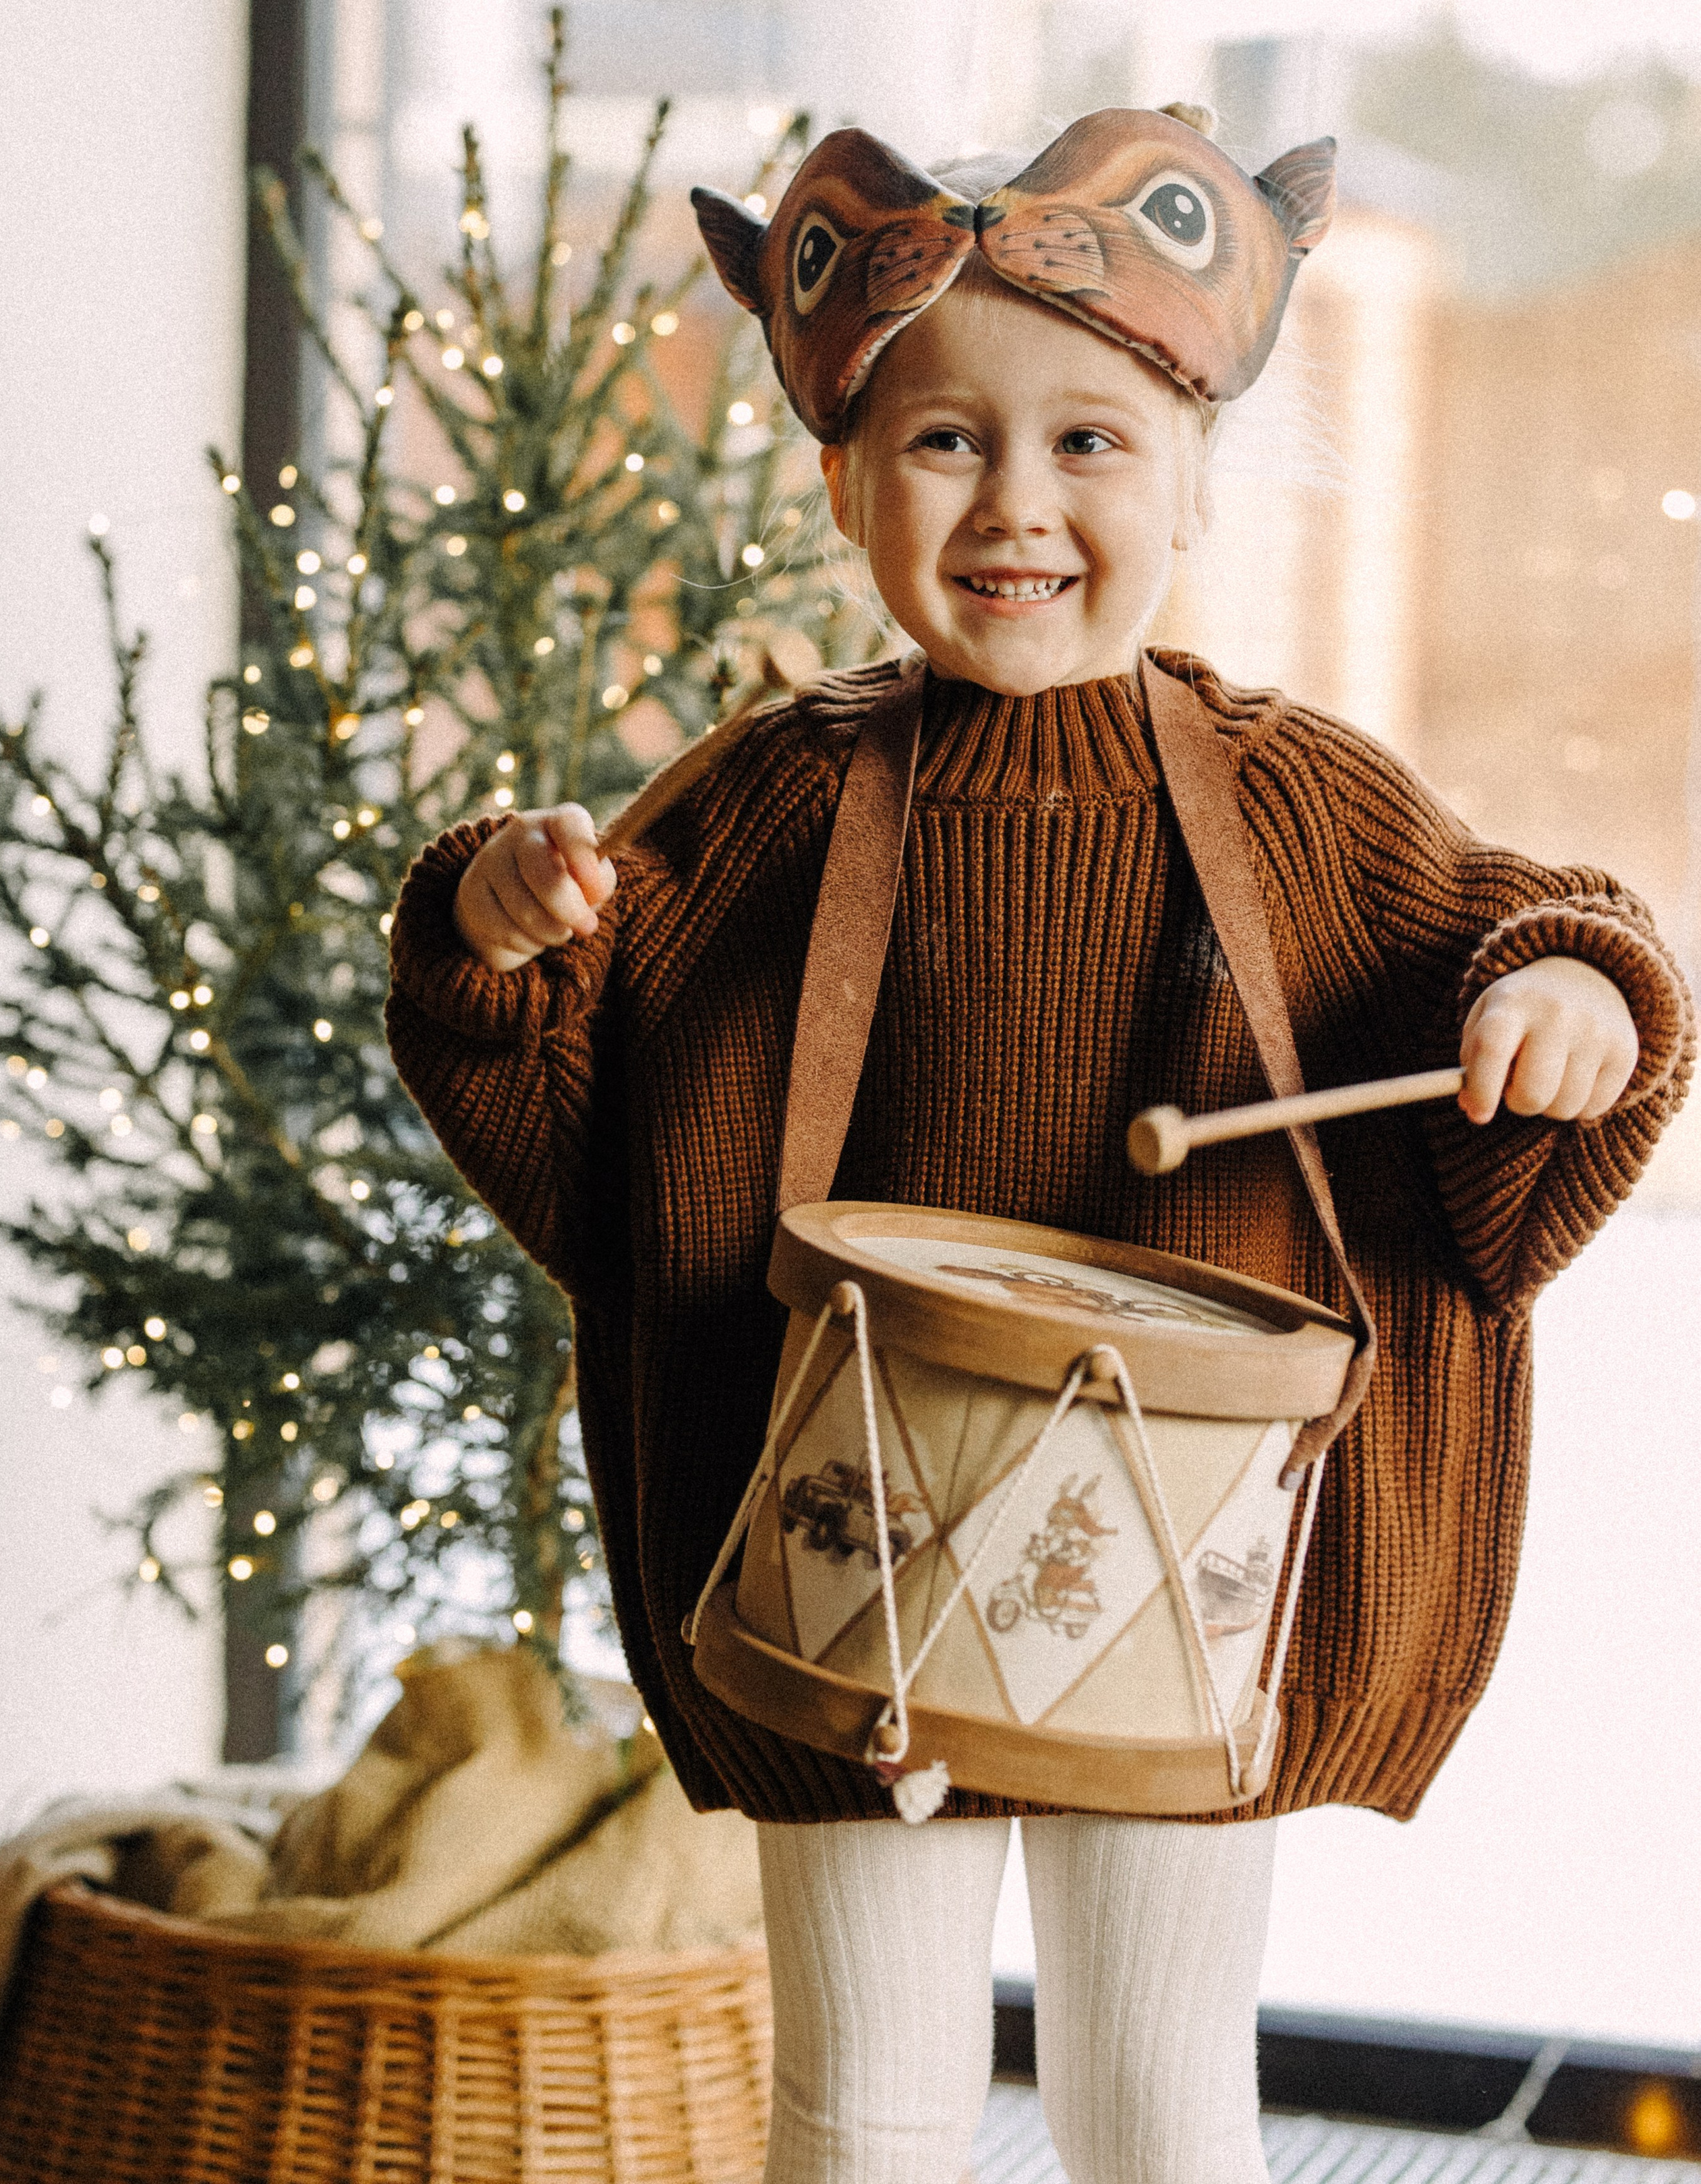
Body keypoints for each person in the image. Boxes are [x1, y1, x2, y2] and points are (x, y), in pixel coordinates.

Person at [385, 107, 1693, 2184]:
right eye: (944, 444)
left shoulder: (1297, 802)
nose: (1018, 502)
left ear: (1191, 480)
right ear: (840, 484)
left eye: (1090, 443)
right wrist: (494, 935)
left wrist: (1573, 1001)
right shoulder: (762, 804)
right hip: (849, 1574)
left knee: (1165, 2097)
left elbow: (1534, 925)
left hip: (1187, 1567)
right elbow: (567, 1093)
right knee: (868, 2099)